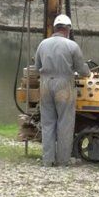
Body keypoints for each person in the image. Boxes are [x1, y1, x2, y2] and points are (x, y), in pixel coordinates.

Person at [33, 14, 90, 167]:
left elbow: (37, 67)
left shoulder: (43, 44)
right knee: (65, 122)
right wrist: (88, 72)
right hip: (64, 85)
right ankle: (63, 160)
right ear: (68, 29)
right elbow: (82, 70)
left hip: (45, 85)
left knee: (48, 123)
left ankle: (48, 159)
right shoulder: (72, 46)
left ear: (55, 28)